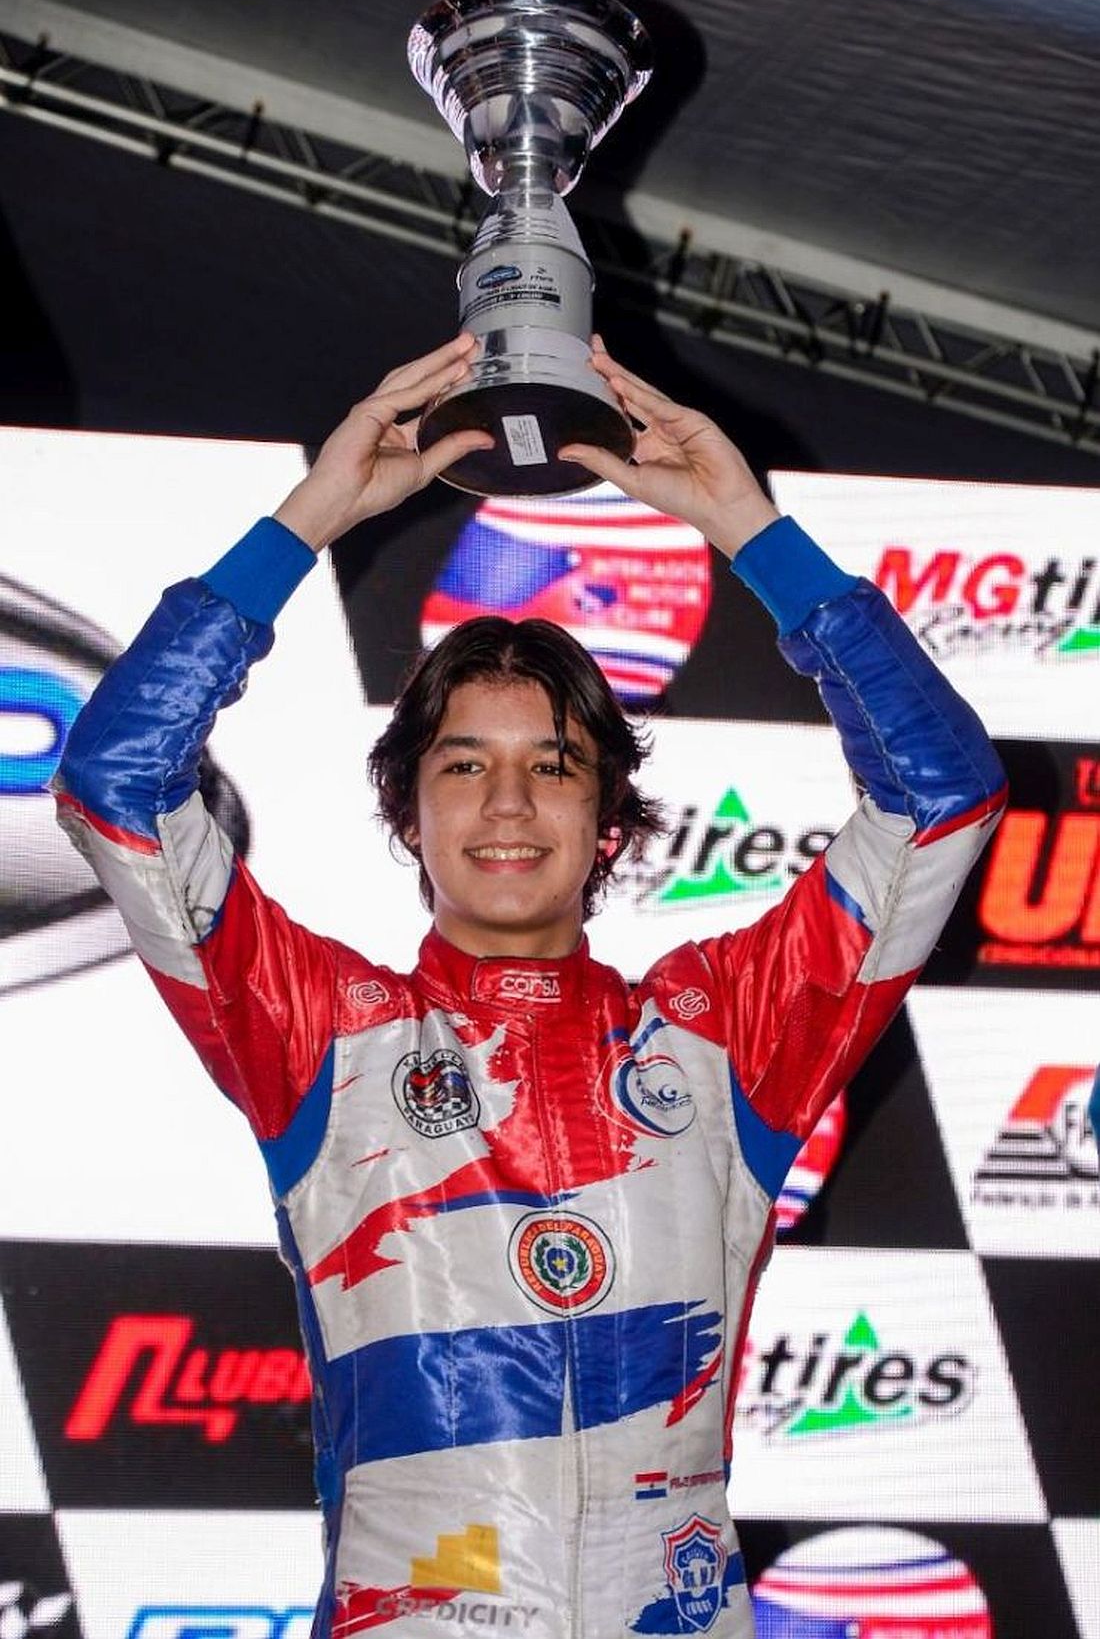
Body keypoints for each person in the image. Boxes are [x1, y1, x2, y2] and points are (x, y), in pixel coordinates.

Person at [54, 332, 1006, 1639]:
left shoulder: (726, 1032)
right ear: (408, 813)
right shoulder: (324, 1035)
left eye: (553, 765)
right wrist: (310, 518)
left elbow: (943, 795)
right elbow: (116, 781)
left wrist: (750, 530)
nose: (508, 803)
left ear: (609, 822)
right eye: (463, 765)